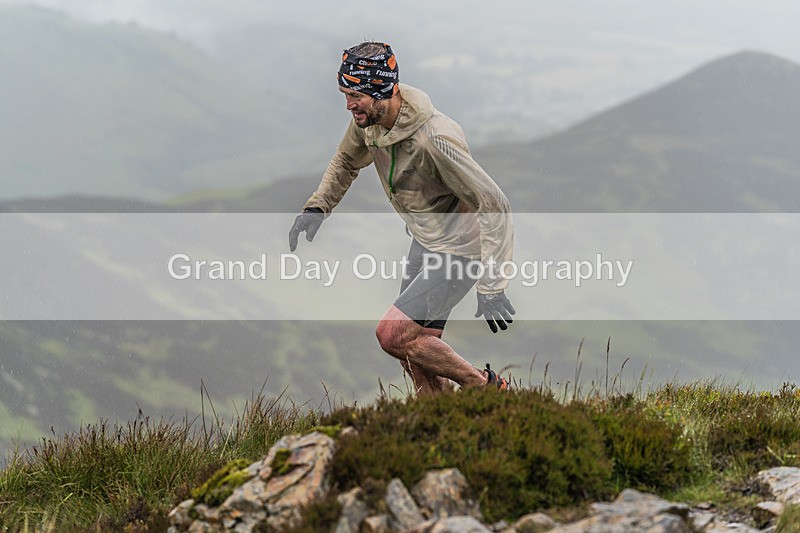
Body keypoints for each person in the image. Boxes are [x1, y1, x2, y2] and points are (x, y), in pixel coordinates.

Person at [288, 41, 515, 394]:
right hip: (424, 240)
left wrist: (492, 284)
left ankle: (483, 387)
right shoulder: (370, 122)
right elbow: (347, 160)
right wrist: (318, 206)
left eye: (355, 95)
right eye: (344, 93)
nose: (348, 104)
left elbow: (494, 204)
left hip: (460, 249)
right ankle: (437, 423)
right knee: (414, 349)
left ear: (381, 91)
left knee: (392, 334)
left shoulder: (435, 139)